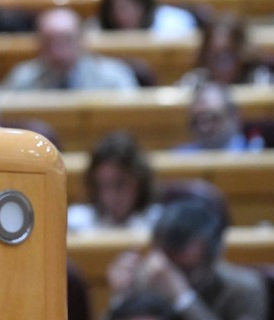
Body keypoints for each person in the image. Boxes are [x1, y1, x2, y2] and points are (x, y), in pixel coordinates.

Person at [107, 198, 267, 320]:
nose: (172, 275)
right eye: (170, 264)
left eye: (187, 268)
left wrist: (183, 298)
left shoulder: (244, 290)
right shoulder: (151, 278)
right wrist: (121, 297)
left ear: (212, 257)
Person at [0, 7, 139, 91]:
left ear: (81, 41)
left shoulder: (114, 78)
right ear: (39, 46)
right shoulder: (22, 80)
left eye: (66, 41)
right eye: (49, 43)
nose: (57, 52)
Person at [67, 131, 160, 233]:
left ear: (139, 180)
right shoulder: (77, 223)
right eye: (103, 185)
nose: (111, 195)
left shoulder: (159, 222)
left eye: (119, 184)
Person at [178, 14, 273, 89]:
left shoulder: (261, 80)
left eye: (226, 57)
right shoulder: (195, 82)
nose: (220, 65)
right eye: (214, 58)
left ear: (242, 53)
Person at [174, 83, 262, 153]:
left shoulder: (257, 155)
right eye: (196, 121)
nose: (203, 128)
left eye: (212, 118)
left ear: (234, 117)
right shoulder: (179, 159)